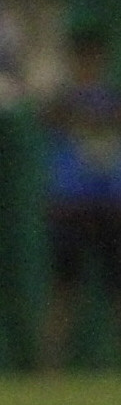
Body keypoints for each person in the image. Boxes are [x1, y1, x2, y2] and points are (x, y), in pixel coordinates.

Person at [41, 24, 121, 371]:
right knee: (65, 288)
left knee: (116, 290)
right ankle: (50, 367)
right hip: (72, 204)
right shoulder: (63, 100)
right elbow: (49, 117)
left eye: (93, 58)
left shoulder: (111, 99)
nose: (88, 64)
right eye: (82, 58)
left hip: (109, 204)